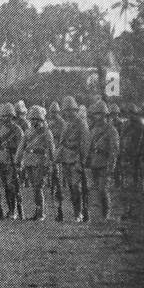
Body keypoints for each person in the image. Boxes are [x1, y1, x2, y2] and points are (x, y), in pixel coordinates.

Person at [85, 99, 119, 220]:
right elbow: (89, 147)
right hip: (95, 163)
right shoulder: (93, 130)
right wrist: (87, 161)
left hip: (105, 163)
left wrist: (111, 166)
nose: (97, 116)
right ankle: (99, 215)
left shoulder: (111, 130)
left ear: (105, 115)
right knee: (95, 191)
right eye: (95, 114)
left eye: (99, 114)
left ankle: (106, 214)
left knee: (102, 190)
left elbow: (114, 150)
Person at [56, 95, 88, 223]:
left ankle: (79, 213)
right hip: (66, 160)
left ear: (75, 110)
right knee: (70, 187)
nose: (68, 113)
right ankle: (76, 212)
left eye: (70, 110)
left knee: (76, 187)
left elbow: (84, 145)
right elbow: (62, 142)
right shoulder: (66, 124)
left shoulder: (81, 124)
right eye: (66, 110)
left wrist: (82, 162)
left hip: (76, 160)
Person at [20, 105, 56, 220]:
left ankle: (41, 213)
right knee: (34, 187)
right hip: (29, 161)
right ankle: (37, 211)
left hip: (41, 162)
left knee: (38, 187)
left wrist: (52, 164)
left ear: (41, 120)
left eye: (36, 119)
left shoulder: (46, 132)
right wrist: (19, 160)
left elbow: (51, 149)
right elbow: (21, 147)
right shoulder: (27, 132)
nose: (34, 121)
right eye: (32, 119)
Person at [0, 103, 24, 219]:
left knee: (12, 186)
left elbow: (21, 148)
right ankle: (10, 209)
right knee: (6, 186)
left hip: (13, 161)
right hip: (3, 160)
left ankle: (15, 211)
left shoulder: (17, 130)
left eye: (7, 116)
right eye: (3, 116)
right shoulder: (0, 129)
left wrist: (18, 163)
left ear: (12, 116)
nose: (5, 118)